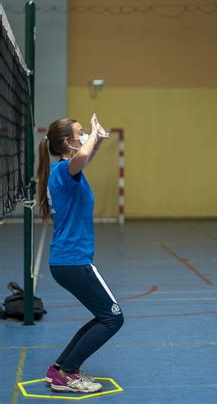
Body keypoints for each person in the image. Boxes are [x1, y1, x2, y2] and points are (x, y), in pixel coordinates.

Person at [36, 113, 124, 393]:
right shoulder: (63, 171)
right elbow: (82, 158)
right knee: (113, 318)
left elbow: (86, 157)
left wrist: (95, 140)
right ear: (67, 142)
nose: (85, 134)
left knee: (103, 316)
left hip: (66, 261)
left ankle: (59, 368)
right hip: (73, 261)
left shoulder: (66, 171)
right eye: (80, 132)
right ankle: (68, 373)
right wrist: (94, 138)